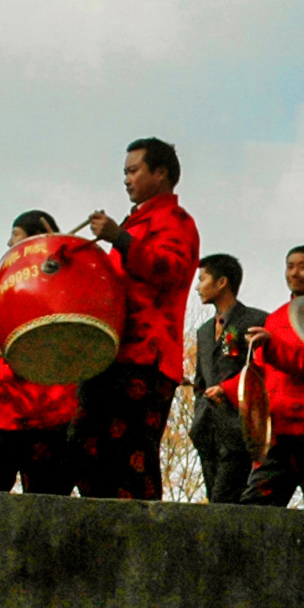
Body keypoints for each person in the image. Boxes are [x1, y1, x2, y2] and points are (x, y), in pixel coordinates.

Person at [68, 138, 200, 500]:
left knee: (132, 459)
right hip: (109, 353)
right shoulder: (138, 220)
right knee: (82, 445)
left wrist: (119, 239)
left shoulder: (176, 220)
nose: (126, 179)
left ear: (161, 173)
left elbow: (168, 270)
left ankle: (144, 547)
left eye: (133, 170)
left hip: (146, 356)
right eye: (125, 172)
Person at [0, 213, 79, 495]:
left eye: (16, 234)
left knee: (45, 504)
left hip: (50, 411)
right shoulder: (10, 284)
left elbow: (54, 343)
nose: (9, 242)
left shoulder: (65, 285)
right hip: (6, 413)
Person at [241, 245, 304, 510]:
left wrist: (272, 346)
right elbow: (259, 373)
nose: (294, 273)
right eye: (290, 267)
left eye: (303, 267)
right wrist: (225, 389)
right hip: (278, 429)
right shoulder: (274, 318)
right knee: (253, 507)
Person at [185, 254, 268, 509]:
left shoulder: (256, 320)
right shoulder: (204, 331)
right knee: (216, 502)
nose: (198, 287)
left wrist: (229, 391)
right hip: (206, 431)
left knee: (225, 503)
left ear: (222, 282)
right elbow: (202, 376)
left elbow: (261, 373)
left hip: (239, 429)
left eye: (202, 279)